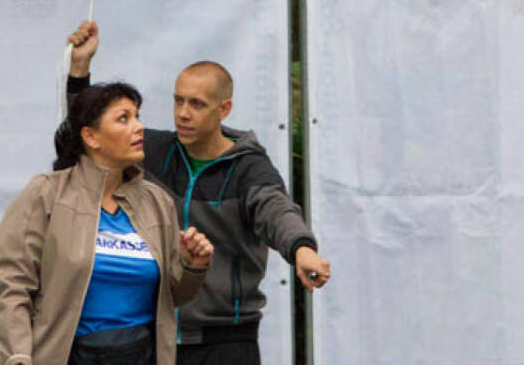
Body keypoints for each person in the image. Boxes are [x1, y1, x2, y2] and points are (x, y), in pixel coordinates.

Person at [66, 23, 330, 365]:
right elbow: (93, 135)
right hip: (156, 337)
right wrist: (78, 70)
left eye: (197, 104)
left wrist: (303, 250)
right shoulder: (154, 152)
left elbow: (276, 211)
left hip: (226, 341)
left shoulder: (248, 168)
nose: (183, 113)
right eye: (178, 101)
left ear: (224, 109)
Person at [0, 79, 215, 365]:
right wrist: (18, 355)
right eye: (123, 119)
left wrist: (192, 266)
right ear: (91, 137)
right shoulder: (46, 193)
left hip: (141, 353)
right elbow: (14, 286)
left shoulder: (157, 202)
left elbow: (173, 297)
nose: (138, 127)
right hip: (67, 355)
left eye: (137, 117)